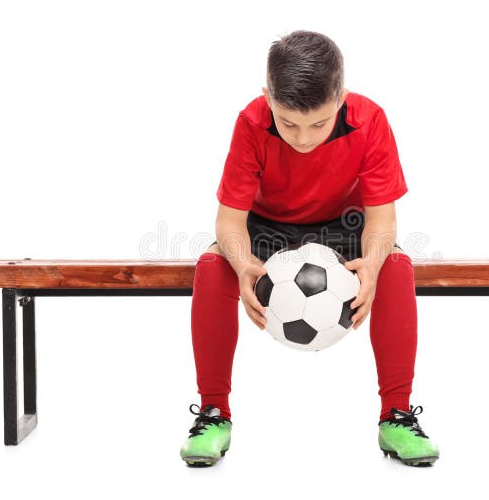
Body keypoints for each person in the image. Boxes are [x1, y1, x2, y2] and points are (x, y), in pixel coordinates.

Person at [180, 30, 439, 468]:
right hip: (268, 228)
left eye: (318, 124)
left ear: (341, 98)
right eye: (288, 123)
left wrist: (372, 266)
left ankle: (396, 414)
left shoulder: (369, 119)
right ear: (268, 98)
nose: (303, 139)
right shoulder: (251, 121)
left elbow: (381, 218)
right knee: (211, 266)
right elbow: (228, 221)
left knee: (395, 263)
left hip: (344, 227)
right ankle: (213, 412)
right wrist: (243, 264)